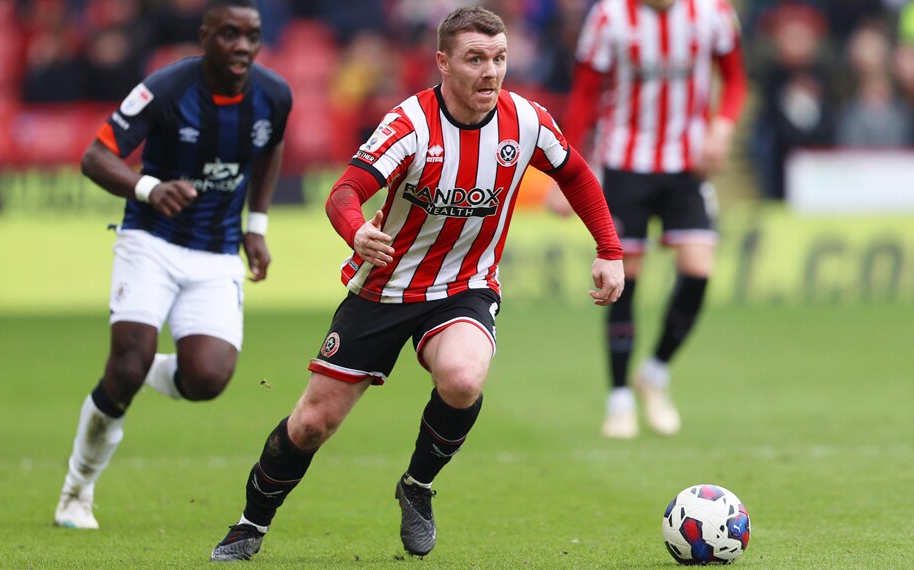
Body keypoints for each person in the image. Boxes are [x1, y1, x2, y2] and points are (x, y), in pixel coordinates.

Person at [208, 6, 624, 561]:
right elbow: (344, 192)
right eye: (475, 59)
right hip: (384, 288)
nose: (490, 72)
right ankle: (249, 525)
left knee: (463, 378)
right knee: (313, 423)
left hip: (464, 287)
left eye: (499, 58)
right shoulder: (410, 125)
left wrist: (609, 249)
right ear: (443, 62)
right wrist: (357, 233)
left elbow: (574, 173)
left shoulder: (525, 121)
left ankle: (417, 488)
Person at [53, 0, 291, 530]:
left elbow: (271, 147)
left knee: (207, 378)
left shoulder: (274, 94)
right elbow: (95, 156)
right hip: (151, 240)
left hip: (216, 250)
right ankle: (76, 492)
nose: (242, 46)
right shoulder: (164, 90)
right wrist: (148, 187)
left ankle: (130, 371)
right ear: (204, 35)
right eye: (229, 34)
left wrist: (257, 227)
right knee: (129, 361)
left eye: (251, 35)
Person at [555, 0, 748, 439]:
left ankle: (655, 372)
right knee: (626, 279)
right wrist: (565, 170)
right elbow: (585, 92)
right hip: (627, 163)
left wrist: (723, 126)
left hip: (688, 163)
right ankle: (619, 398)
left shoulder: (712, 13)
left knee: (699, 271)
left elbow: (735, 79)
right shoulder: (609, 17)